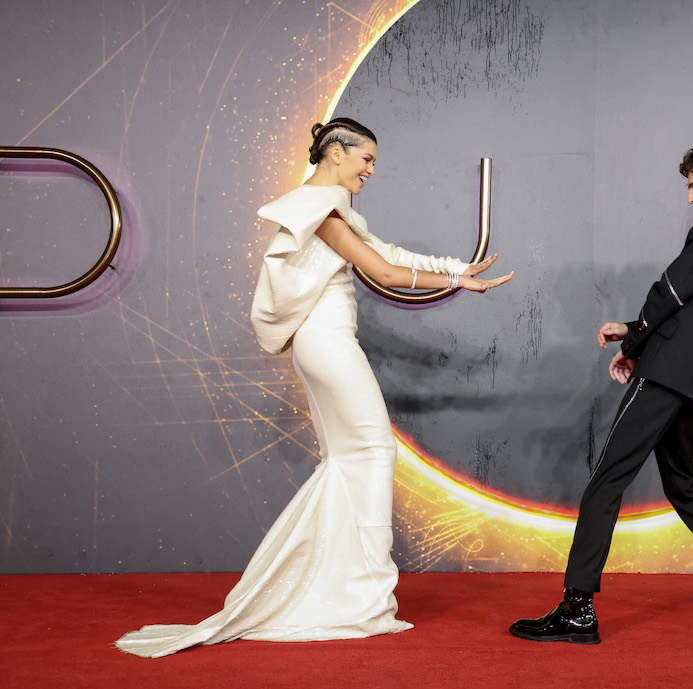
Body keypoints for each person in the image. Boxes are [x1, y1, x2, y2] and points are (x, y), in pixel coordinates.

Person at [116, 117, 513, 657]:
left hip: (322, 342)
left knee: (348, 461)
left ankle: (342, 590)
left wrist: (454, 267)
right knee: (372, 453)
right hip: (326, 343)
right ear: (335, 152)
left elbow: (386, 251)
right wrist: (453, 280)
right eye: (366, 158)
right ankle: (365, 599)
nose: (371, 169)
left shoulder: (327, 208)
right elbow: (384, 272)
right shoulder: (320, 209)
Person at [509, 140, 693, 645]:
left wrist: (635, 341)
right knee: (684, 485)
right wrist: (637, 335)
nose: (691, 197)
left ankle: (577, 610)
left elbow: (673, 289)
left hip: (666, 372)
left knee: (606, 479)